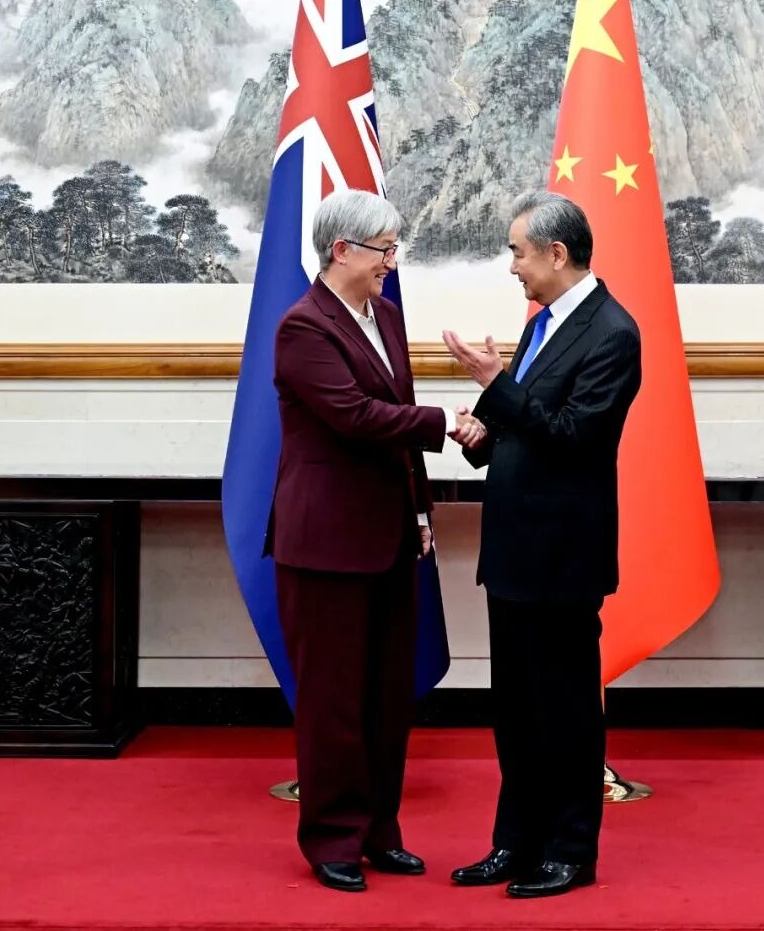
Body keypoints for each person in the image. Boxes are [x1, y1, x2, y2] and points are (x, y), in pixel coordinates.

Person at [267, 189, 477, 892]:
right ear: (341, 250)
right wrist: (447, 421)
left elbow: (394, 426)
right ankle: (332, 838)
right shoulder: (302, 327)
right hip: (324, 544)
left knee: (388, 696)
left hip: (389, 536)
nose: (393, 261)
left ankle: (380, 832)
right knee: (333, 700)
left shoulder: (384, 316)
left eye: (394, 248)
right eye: (384, 249)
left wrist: (420, 512)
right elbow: (356, 417)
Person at [442, 190, 642, 899]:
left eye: (518, 253)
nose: (512, 267)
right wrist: (482, 432)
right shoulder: (541, 325)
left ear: (558, 254)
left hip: (563, 556)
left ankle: (570, 852)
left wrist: (496, 385)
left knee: (566, 710)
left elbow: (573, 439)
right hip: (513, 550)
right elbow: (525, 428)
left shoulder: (613, 332)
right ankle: (516, 843)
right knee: (517, 709)